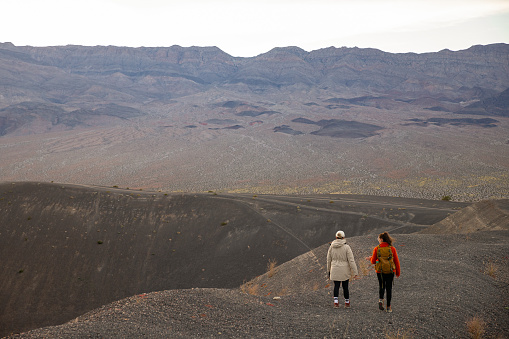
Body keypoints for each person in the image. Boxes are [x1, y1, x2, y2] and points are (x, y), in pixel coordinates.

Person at [365, 231, 401, 313]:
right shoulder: (392, 249)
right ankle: (388, 307)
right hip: (390, 271)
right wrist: (397, 272)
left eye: (378, 239)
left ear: (381, 239)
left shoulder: (377, 248)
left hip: (380, 271)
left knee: (381, 285)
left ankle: (381, 300)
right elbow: (396, 261)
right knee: (389, 288)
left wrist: (370, 258)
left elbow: (373, 261)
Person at [327, 230, 358, 308]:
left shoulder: (331, 247)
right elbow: (351, 260)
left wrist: (329, 270)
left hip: (334, 268)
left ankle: (336, 303)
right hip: (344, 270)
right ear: (343, 237)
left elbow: (328, 260)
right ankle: (347, 302)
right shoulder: (347, 247)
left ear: (336, 237)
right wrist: (355, 272)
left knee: (336, 286)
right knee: (345, 286)